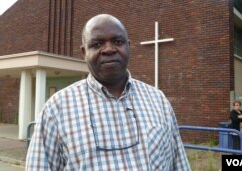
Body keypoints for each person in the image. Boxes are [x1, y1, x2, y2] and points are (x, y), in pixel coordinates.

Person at [26, 14, 191, 170]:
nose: (109, 49)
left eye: (118, 41)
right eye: (97, 44)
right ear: (84, 52)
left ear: (128, 46)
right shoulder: (56, 109)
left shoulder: (158, 101)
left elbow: (179, 164)